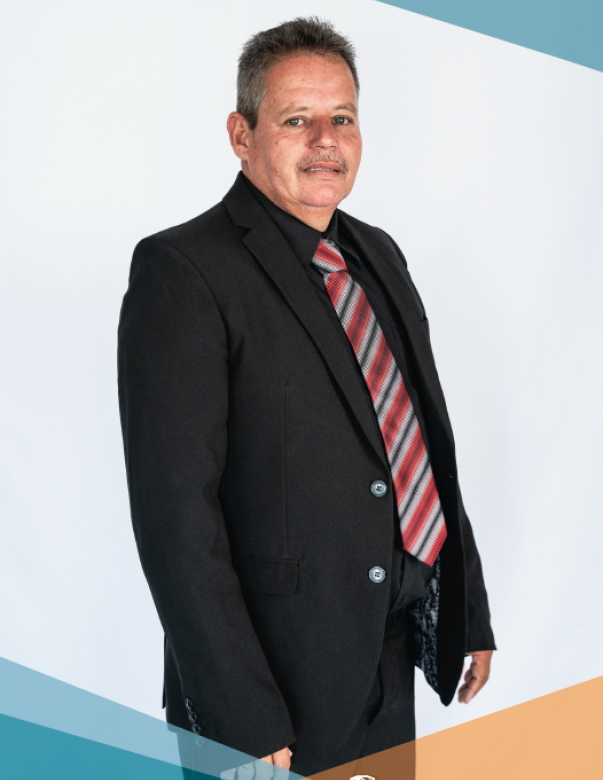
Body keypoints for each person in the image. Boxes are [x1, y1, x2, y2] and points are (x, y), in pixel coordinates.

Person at [117, 16, 495, 778]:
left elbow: (418, 440)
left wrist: (466, 610)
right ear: (241, 134)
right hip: (270, 689)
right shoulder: (183, 271)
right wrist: (239, 715)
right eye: (297, 120)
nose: (326, 140)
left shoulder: (377, 254)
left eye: (342, 118)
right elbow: (175, 521)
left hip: (387, 658)